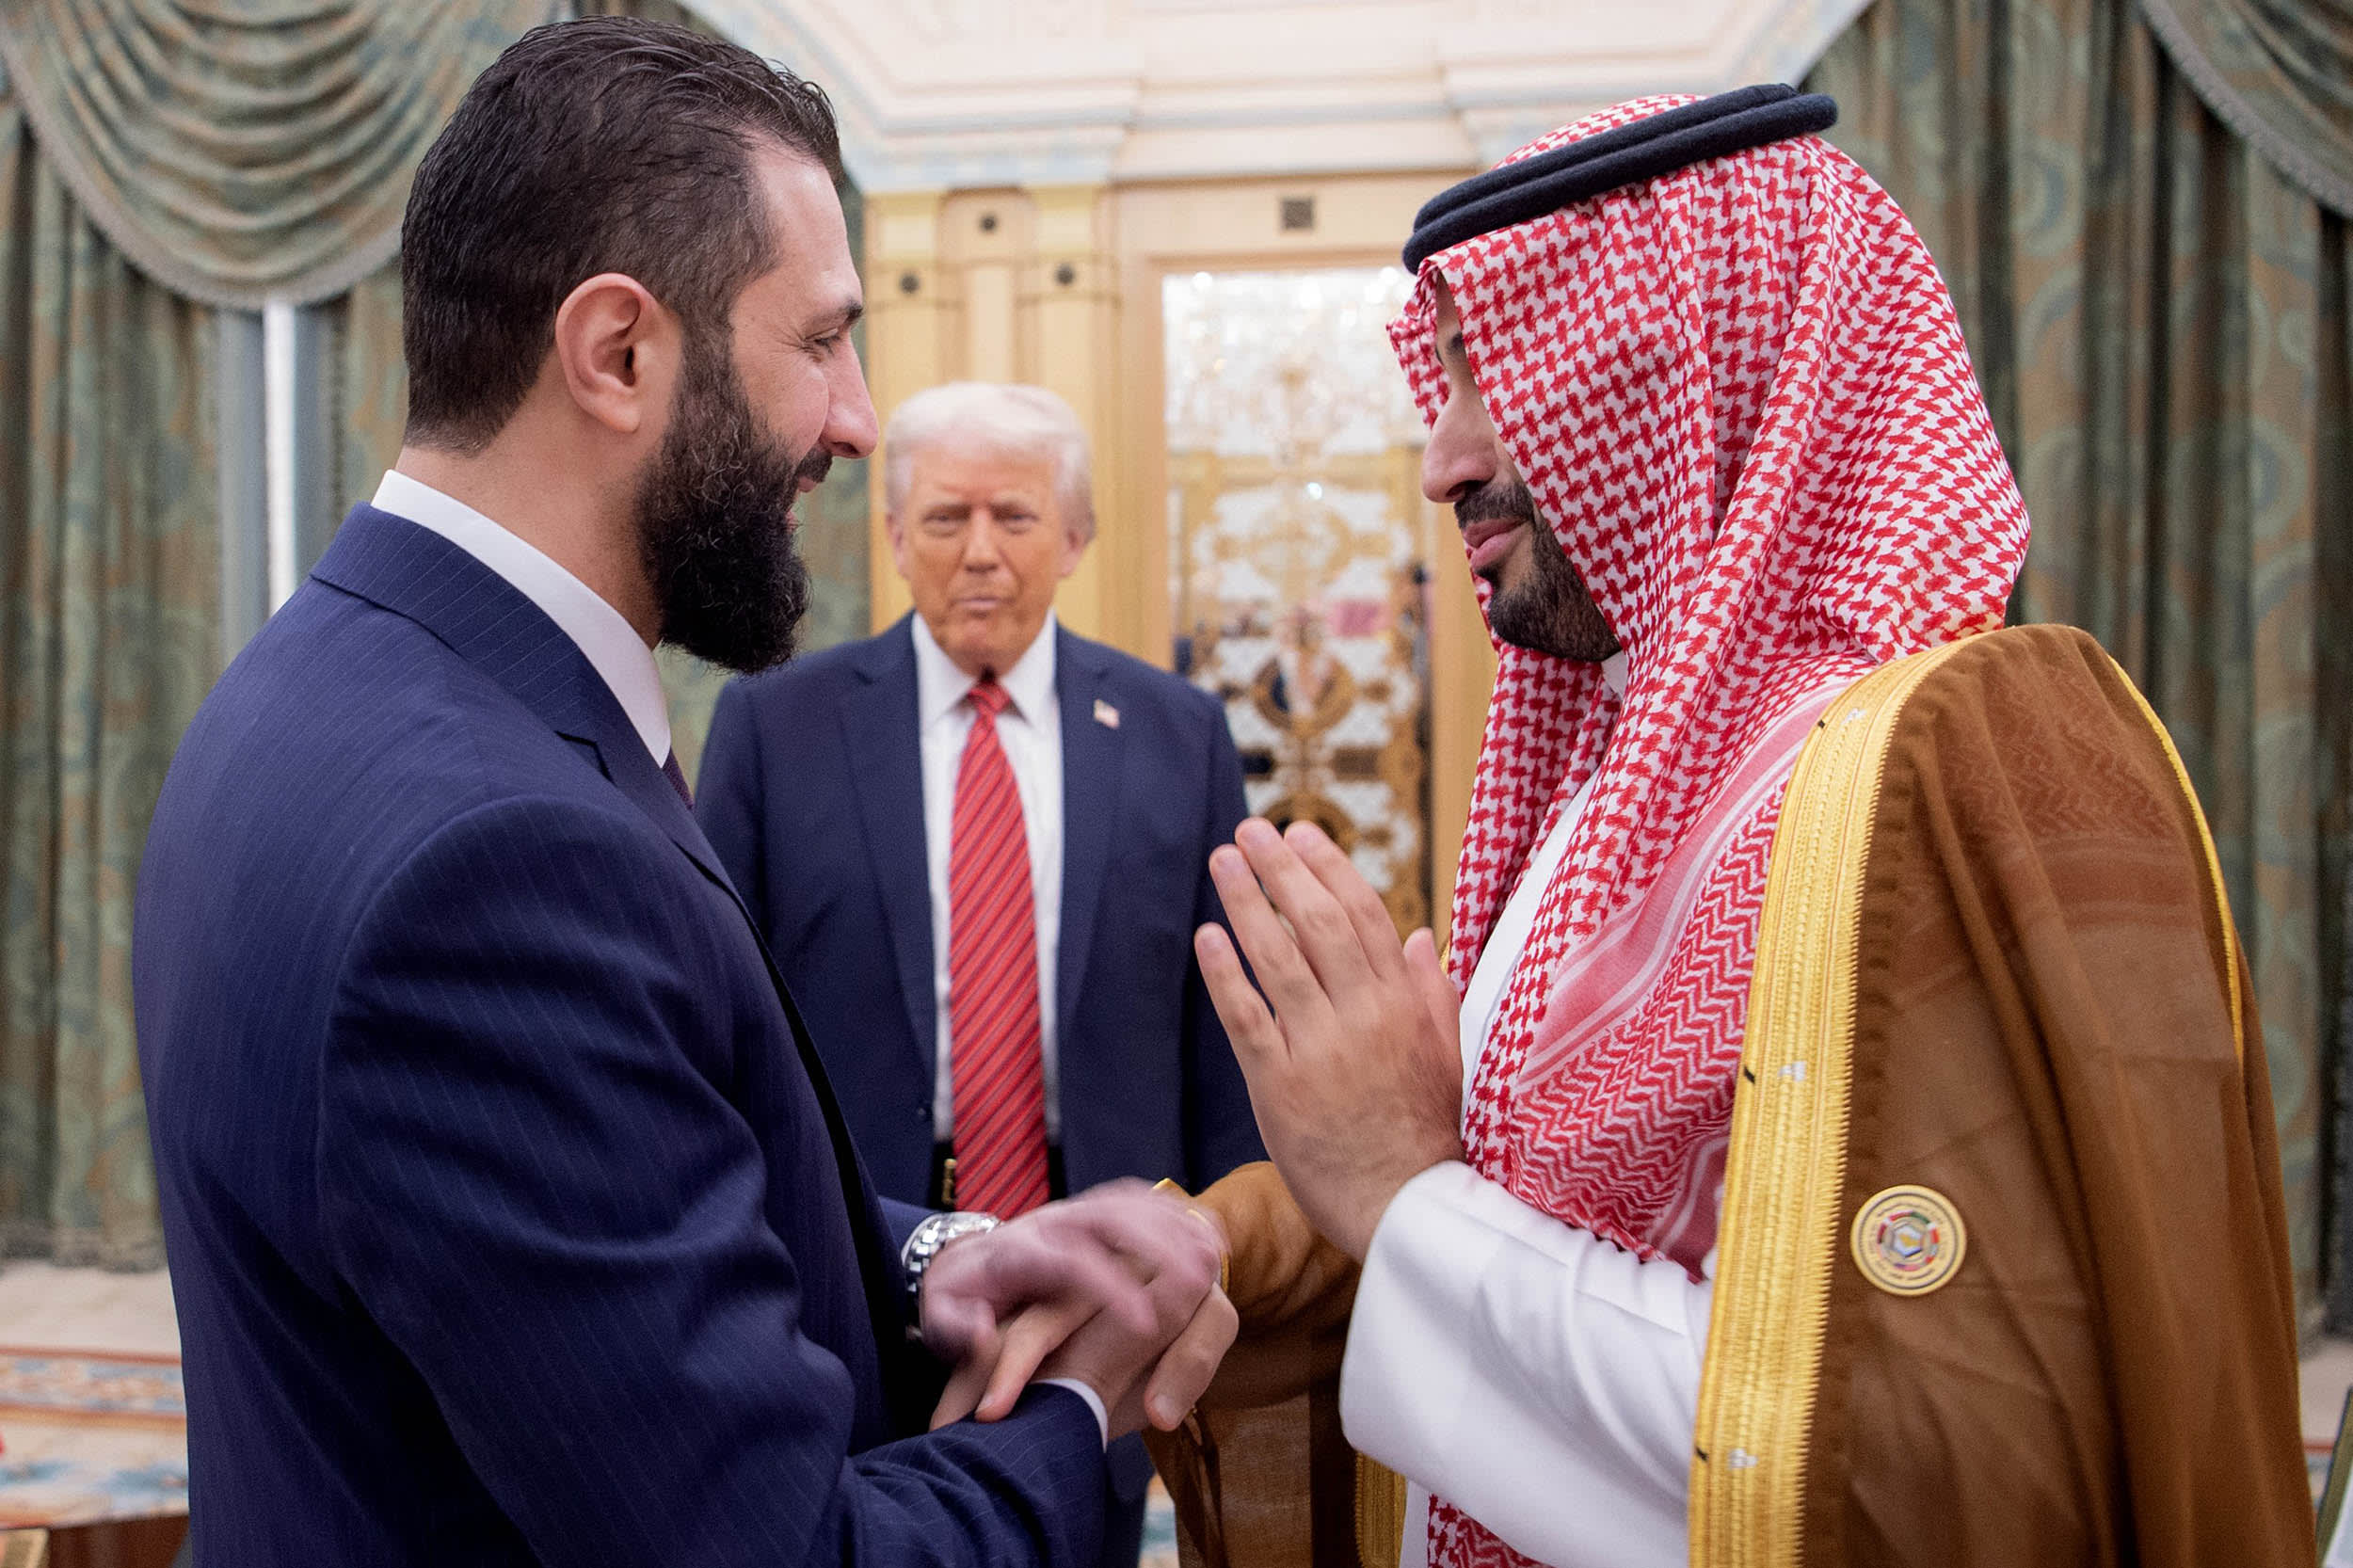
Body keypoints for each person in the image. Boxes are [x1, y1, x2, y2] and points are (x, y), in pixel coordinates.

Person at [1162, 86, 2312, 1568]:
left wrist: (1399, 1190)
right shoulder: (1604, 792)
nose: (1441, 459)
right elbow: (1503, 1223)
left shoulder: (1961, 768)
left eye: (1488, 370)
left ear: (1683, 361)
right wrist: (1211, 1250)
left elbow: (1941, 1472)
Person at [132, 21, 1234, 1565]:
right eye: (818, 341)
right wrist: (1080, 1405)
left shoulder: (329, 681)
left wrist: (927, 1263)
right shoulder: (496, 864)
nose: (856, 418)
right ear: (620, 354)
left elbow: (608, 1228)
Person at [696, 379, 1266, 1568]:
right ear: (895, 537)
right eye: (945, 520)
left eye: (1013, 517)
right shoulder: (774, 727)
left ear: (1073, 536)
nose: (981, 554)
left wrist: (1222, 1256)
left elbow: (1215, 1036)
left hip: (1098, 1283)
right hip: (861, 1271)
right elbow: (720, 1020)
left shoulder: (1176, 732)